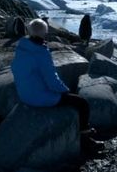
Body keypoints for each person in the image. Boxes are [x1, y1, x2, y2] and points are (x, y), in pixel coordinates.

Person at [12, 18, 103, 153]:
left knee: (70, 98)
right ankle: (85, 139)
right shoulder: (40, 52)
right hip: (39, 97)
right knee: (82, 103)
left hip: (25, 95)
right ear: (44, 32)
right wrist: (64, 90)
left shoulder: (22, 48)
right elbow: (51, 79)